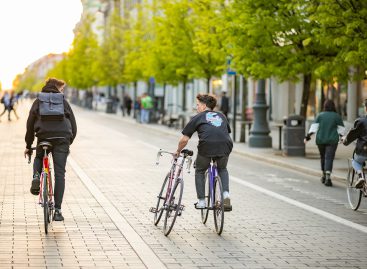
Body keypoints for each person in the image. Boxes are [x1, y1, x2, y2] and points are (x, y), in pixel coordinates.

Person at [24, 78, 77, 221]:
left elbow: (29, 125)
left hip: (44, 137)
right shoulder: (63, 101)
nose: (62, 91)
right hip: (62, 139)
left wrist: (29, 146)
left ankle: (36, 176)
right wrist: (68, 141)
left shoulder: (38, 101)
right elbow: (73, 123)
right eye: (61, 89)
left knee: (39, 157)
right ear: (57, 88)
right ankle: (58, 211)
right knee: (60, 174)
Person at [175, 94, 233, 209]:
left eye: (198, 105)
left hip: (207, 146)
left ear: (204, 105)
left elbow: (184, 139)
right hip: (225, 145)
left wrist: (178, 151)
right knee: (222, 168)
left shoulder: (198, 117)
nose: (197, 107)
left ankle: (201, 202)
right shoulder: (222, 116)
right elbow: (224, 132)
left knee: (200, 170)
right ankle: (226, 194)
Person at [304, 100, 344, 187]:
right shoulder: (337, 116)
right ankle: (328, 177)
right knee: (329, 157)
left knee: (323, 157)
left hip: (320, 140)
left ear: (324, 106)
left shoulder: (320, 115)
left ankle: (323, 174)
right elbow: (341, 130)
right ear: (333, 106)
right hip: (332, 140)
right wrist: (342, 138)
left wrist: (307, 137)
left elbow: (314, 128)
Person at [341, 99, 367, 189]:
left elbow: (352, 134)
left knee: (356, 161)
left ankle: (360, 177)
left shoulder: (361, 121)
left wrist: (345, 140)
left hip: (363, 151)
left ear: (365, 108)